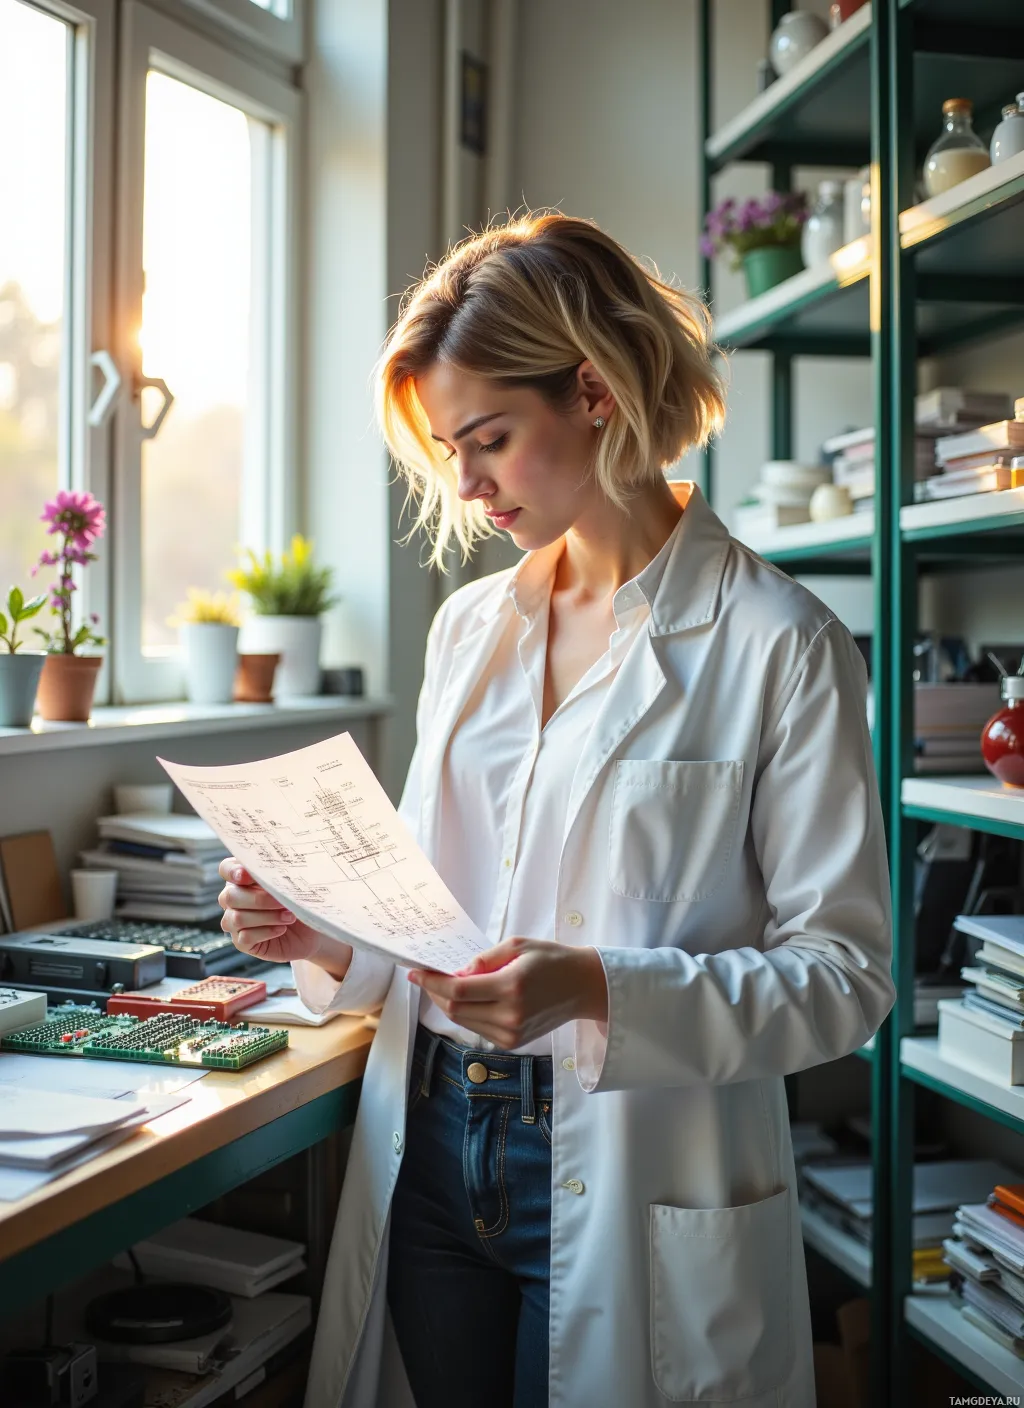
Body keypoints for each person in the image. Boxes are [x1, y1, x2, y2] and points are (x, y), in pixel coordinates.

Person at [218, 212, 896, 1408]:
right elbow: (439, 914)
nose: (467, 488)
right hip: (430, 1142)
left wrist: (597, 988)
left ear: (591, 389)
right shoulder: (469, 629)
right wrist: (323, 932)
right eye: (447, 451)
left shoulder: (783, 645)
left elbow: (846, 978)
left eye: (488, 439)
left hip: (630, 1166)